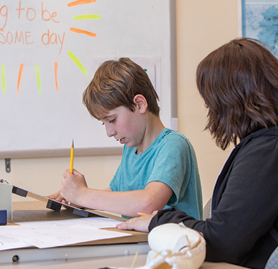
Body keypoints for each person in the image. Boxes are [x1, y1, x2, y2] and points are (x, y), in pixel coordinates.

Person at [117, 38, 278, 269]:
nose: (206, 105)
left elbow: (222, 241)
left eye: (211, 94)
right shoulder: (262, 147)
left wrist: (160, 219)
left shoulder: (266, 152)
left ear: (235, 95)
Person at [49, 57, 203, 219]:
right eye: (104, 124)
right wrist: (78, 198)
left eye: (112, 120)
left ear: (140, 104)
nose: (109, 132)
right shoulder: (131, 149)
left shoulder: (173, 145)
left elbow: (148, 203)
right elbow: (116, 195)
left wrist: (84, 194)